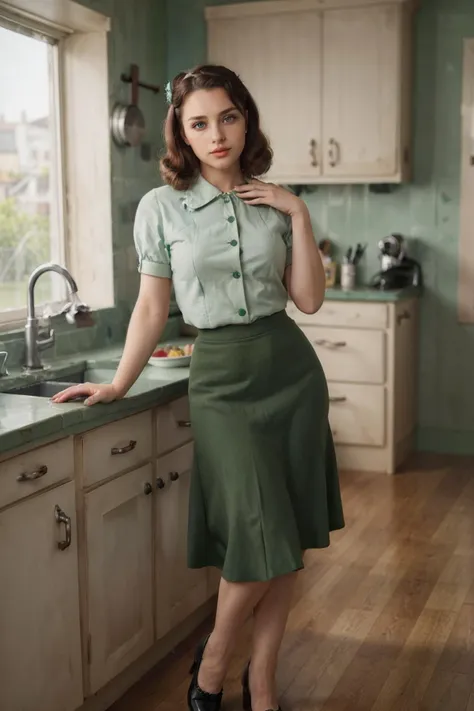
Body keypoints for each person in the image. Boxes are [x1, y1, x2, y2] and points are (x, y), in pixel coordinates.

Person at [53, 64, 345, 711]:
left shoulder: (276, 202)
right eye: (200, 123)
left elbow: (309, 299)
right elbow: (152, 309)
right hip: (220, 380)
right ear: (181, 134)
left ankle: (261, 685)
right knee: (256, 536)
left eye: (228, 116)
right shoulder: (162, 207)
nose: (217, 134)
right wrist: (117, 383)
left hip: (290, 372)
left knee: (287, 541)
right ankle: (212, 665)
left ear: (247, 118)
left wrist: (296, 211)